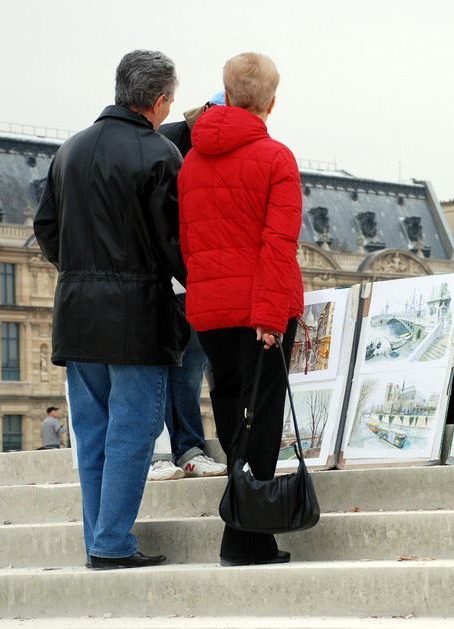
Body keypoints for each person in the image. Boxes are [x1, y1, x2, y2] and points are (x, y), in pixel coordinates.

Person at [33, 50, 187, 570]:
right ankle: (113, 542)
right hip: (138, 313)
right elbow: (174, 244)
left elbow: (46, 229)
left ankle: (100, 540)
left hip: (76, 310)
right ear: (160, 99)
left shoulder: (70, 150)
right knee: (134, 428)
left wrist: (78, 270)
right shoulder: (160, 152)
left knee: (93, 432)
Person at [178, 52, 304, 567]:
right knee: (264, 420)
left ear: (225, 96)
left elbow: (188, 244)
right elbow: (279, 244)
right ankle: (246, 538)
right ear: (271, 103)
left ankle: (247, 534)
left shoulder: (191, 160)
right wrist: (272, 318)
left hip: (210, 310)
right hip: (260, 310)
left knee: (232, 416)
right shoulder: (277, 158)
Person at [146, 92, 230, 482]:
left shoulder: (211, 144)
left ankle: (188, 448)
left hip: (198, 277)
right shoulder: (165, 141)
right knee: (171, 369)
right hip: (173, 276)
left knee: (190, 369)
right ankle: (172, 449)